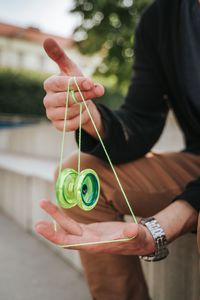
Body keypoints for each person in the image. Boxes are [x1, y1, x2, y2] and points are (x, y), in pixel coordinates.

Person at [35, 0, 200, 299]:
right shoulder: (161, 17)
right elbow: (142, 118)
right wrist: (91, 118)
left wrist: (174, 217)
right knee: (79, 171)